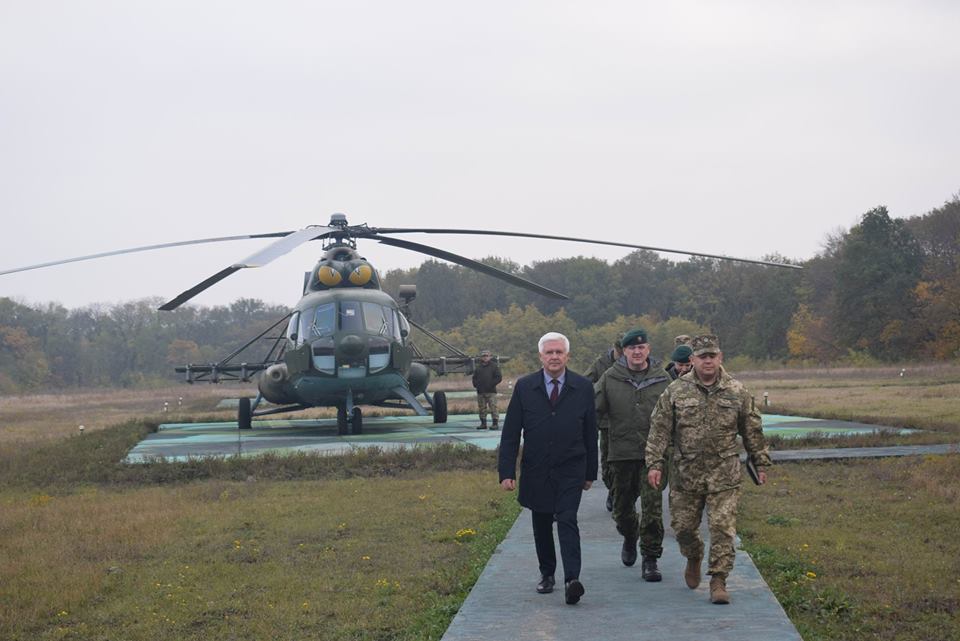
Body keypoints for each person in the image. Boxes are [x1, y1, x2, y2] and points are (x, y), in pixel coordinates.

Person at [645, 334, 771, 605]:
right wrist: (655, 464)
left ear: (720, 357)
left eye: (712, 356)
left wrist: (760, 462)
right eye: (702, 357)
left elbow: (752, 429)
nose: (708, 361)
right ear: (692, 360)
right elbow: (659, 430)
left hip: (724, 473)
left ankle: (718, 580)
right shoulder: (676, 391)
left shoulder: (736, 391)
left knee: (722, 528)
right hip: (686, 475)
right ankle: (694, 555)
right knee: (683, 528)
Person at [498, 332, 599, 605]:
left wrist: (590, 472)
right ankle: (547, 574)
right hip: (537, 468)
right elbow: (511, 433)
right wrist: (506, 472)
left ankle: (572, 580)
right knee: (541, 522)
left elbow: (591, 433)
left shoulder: (582, 387)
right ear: (541, 357)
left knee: (567, 518)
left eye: (559, 352)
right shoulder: (525, 387)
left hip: (571, 467)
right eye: (549, 352)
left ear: (567, 356)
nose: (554, 357)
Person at [594, 328, 671, 581]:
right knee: (621, 510)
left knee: (652, 508)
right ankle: (629, 535)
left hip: (653, 456)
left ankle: (650, 558)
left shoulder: (662, 379)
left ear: (648, 349)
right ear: (623, 351)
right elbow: (594, 409)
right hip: (621, 454)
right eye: (631, 348)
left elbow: (675, 415)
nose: (637, 352)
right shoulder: (610, 377)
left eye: (641, 347)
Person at [586, 337, 623, 512]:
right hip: (606, 421)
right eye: (620, 351)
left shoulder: (633, 363)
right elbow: (586, 381)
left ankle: (620, 495)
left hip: (626, 420)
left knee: (625, 463)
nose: (623, 355)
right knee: (607, 461)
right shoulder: (601, 363)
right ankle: (612, 490)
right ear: (614, 348)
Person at [472, 349, 503, 430]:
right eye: (483, 356)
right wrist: (476, 385)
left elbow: (499, 377)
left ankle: (495, 424)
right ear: (481, 357)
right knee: (482, 408)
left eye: (487, 356)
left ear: (490, 357)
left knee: (493, 407)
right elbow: (474, 378)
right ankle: (483, 424)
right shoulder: (478, 367)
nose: (485, 357)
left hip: (491, 391)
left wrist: (491, 384)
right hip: (480, 391)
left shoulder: (494, 366)